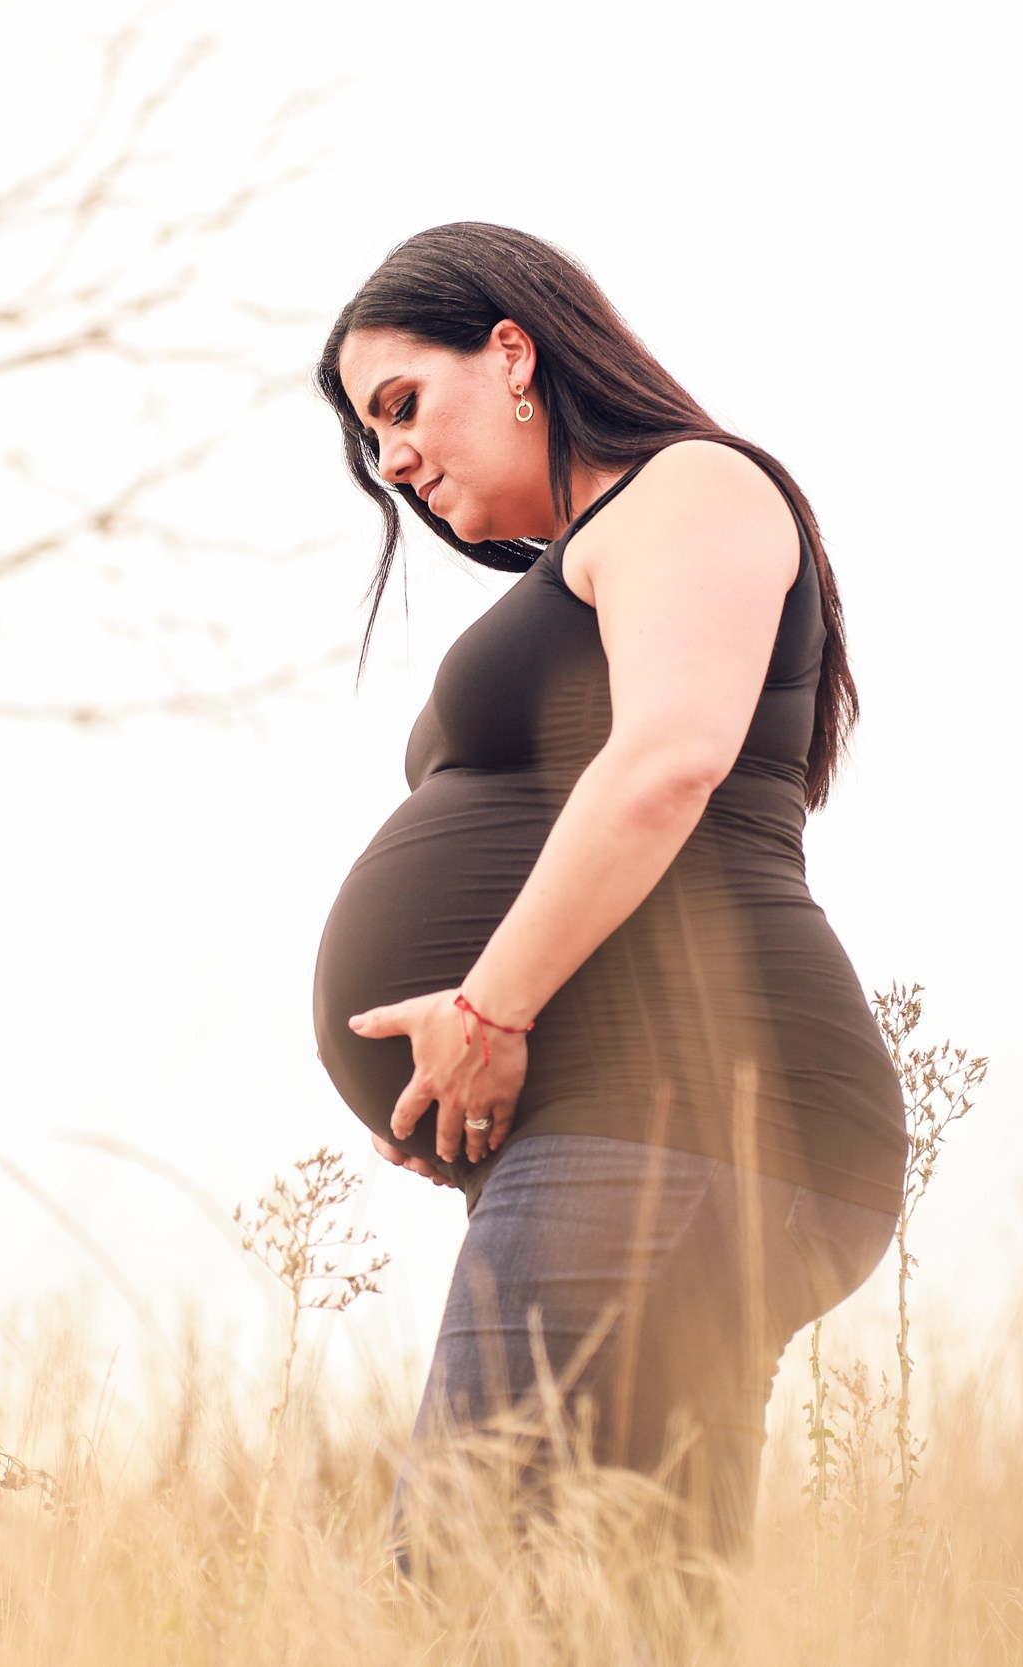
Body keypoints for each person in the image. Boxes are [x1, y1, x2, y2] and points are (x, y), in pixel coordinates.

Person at [307, 223, 907, 1565]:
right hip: (633, 1132)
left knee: (468, 1600)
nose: (392, 459)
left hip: (678, 1118)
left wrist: (489, 1012)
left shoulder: (691, 490)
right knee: (618, 1609)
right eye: (370, 440)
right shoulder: (601, 554)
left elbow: (666, 764)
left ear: (512, 352)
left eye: (402, 404)